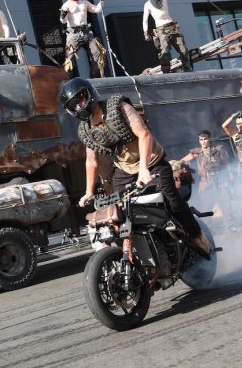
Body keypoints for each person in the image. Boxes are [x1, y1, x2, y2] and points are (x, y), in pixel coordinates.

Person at [59, 77, 210, 256]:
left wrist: (145, 169)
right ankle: (133, 251)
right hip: (125, 168)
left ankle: (197, 235)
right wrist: (89, 192)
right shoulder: (85, 130)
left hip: (152, 162)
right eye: (74, 105)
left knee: (172, 202)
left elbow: (144, 135)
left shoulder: (118, 107)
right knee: (119, 212)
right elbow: (91, 161)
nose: (79, 106)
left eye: (81, 100)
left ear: (89, 94)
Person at [179, 130, 233, 230]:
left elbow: (227, 164)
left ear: (209, 139)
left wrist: (229, 177)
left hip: (220, 181)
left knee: (226, 205)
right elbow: (182, 161)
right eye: (201, 140)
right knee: (205, 207)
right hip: (206, 183)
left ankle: (230, 228)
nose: (203, 141)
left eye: (205, 139)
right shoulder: (197, 152)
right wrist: (177, 165)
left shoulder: (218, 150)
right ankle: (208, 230)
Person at [142, 0, 192, 74]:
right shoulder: (147, 4)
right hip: (161, 30)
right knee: (165, 53)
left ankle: (187, 68)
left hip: (172, 27)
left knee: (183, 50)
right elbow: (145, 20)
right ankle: (166, 73)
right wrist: (145, 32)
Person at [59, 0, 106, 78]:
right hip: (73, 34)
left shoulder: (85, 3)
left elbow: (97, 9)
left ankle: (94, 78)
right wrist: (63, 14)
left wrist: (101, 0)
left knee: (97, 53)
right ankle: (68, 80)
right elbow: (63, 21)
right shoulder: (66, 5)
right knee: (69, 57)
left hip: (86, 32)